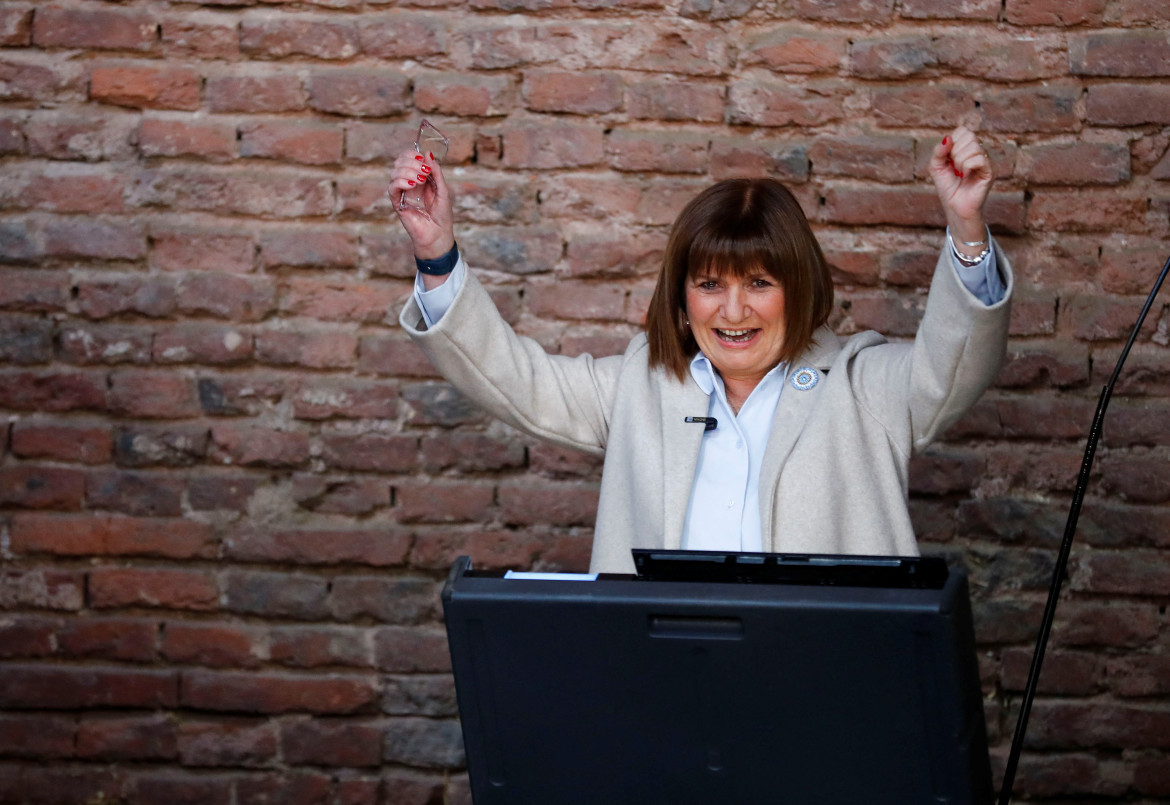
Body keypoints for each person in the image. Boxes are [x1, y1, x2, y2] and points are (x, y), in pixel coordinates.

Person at [391, 126, 1012, 575]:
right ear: (682, 296)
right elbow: (513, 381)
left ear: (799, 289)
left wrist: (966, 232)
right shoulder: (640, 384)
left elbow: (955, 365)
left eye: (760, 285)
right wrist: (437, 256)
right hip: (666, 692)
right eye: (710, 284)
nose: (732, 311)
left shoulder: (864, 387)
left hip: (825, 701)